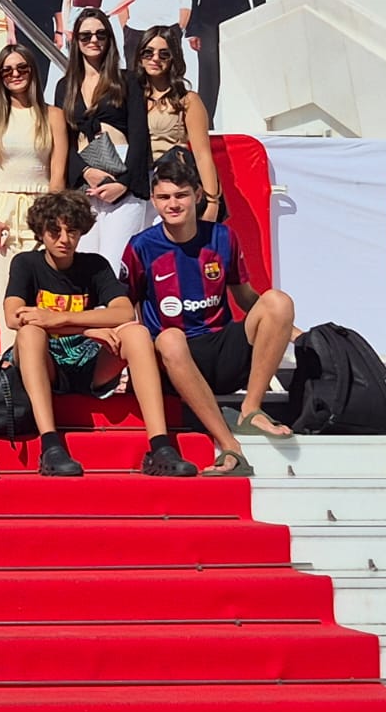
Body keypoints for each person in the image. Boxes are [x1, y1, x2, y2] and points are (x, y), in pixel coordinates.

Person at [122, 150, 299, 476]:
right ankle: (229, 444)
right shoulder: (140, 246)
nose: (172, 204)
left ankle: (251, 409)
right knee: (170, 338)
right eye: (163, 197)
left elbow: (246, 298)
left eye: (181, 195)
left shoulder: (222, 236)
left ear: (198, 196)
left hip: (219, 348)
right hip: (173, 360)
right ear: (154, 200)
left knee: (278, 301)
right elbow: (125, 310)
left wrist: (292, 330)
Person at [6, 190, 200, 478]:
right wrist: (90, 327)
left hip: (88, 360)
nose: (64, 239)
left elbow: (123, 312)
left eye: (71, 231)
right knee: (30, 333)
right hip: (46, 363)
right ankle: (50, 446)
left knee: (135, 334)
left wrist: (65, 320)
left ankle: (159, 446)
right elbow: (14, 317)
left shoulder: (94, 265)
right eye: (54, 231)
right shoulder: (26, 263)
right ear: (40, 232)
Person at [0, 43, 66, 334]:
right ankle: (10, 364)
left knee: (43, 290)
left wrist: (51, 217)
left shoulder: (53, 115)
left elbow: (57, 173)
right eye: (7, 71)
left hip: (41, 209)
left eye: (21, 68)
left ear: (32, 71)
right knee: (5, 289)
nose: (15, 74)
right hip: (3, 209)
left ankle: (45, 365)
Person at [55, 7, 151, 272]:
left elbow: (140, 136)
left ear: (110, 38)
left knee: (114, 264)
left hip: (123, 172)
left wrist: (124, 183)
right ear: (76, 42)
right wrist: (86, 171)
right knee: (84, 262)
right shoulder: (65, 86)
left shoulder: (127, 80)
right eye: (86, 36)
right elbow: (65, 140)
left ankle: (119, 314)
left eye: (100, 34)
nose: (93, 40)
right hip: (84, 178)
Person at [133, 25, 220, 215]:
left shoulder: (187, 100)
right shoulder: (129, 96)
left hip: (172, 186)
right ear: (140, 56)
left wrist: (212, 203)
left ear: (174, 58)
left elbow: (202, 155)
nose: (155, 58)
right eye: (148, 53)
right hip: (134, 190)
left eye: (164, 54)